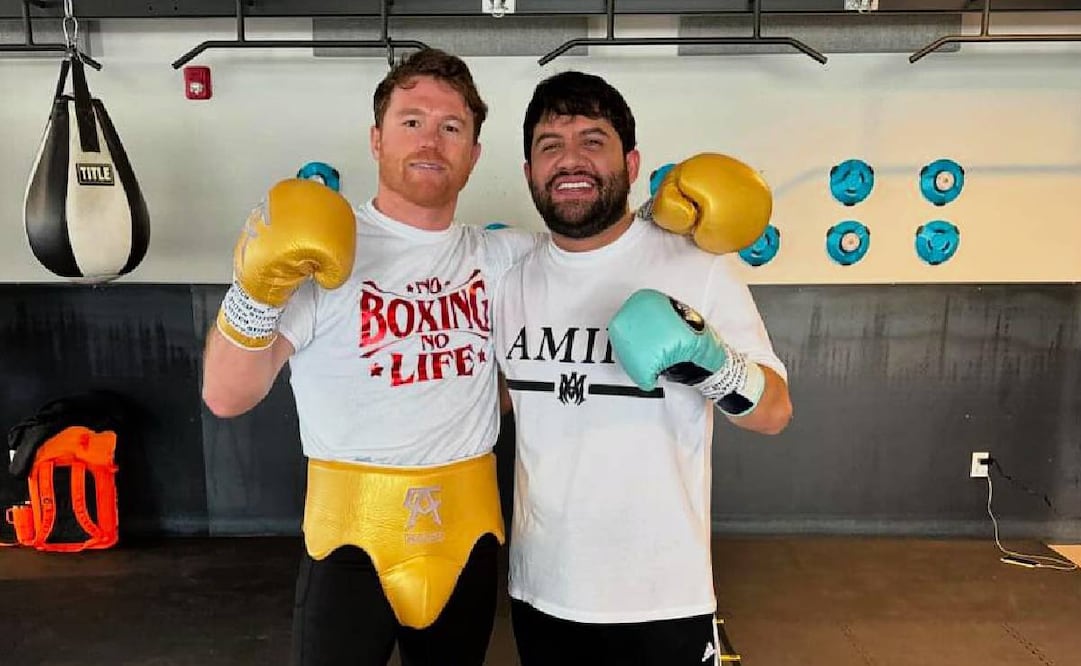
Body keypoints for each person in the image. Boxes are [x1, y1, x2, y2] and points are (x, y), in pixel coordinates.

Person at [201, 48, 545, 666]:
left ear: (473, 154)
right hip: (349, 539)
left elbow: (599, 260)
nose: (431, 141)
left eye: (452, 127)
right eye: (411, 121)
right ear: (376, 139)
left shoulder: (505, 259)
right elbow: (227, 396)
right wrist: (254, 289)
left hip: (468, 535)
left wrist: (668, 225)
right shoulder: (324, 253)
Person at [493, 70, 793, 666]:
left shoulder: (697, 267)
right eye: (550, 146)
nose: (570, 160)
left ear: (631, 164)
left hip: (663, 594)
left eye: (592, 141)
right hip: (542, 588)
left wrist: (710, 362)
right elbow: (498, 398)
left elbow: (776, 412)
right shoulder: (511, 280)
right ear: (529, 173)